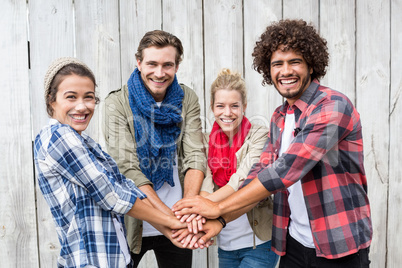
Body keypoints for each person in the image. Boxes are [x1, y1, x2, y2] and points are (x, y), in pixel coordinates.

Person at [172, 19, 372, 268]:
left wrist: (216, 207)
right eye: (277, 64)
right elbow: (259, 174)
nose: (285, 71)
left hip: (338, 244)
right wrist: (221, 221)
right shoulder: (279, 116)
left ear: (311, 65)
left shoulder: (332, 106)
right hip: (294, 243)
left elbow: (284, 172)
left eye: (294, 62)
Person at [34, 57, 187, 268]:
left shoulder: (84, 141)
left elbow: (125, 186)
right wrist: (173, 222)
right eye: (71, 97)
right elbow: (112, 194)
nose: (82, 106)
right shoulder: (57, 136)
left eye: (88, 97)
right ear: (51, 100)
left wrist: (169, 228)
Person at [103, 30, 206, 267]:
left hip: (180, 218)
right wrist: (167, 219)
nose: (159, 73)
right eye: (151, 64)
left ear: (177, 66)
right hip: (133, 222)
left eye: (167, 65)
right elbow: (127, 168)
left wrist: (186, 211)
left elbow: (194, 156)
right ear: (138, 63)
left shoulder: (186, 98)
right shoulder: (117, 103)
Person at [200, 68, 278, 267]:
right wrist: (201, 205)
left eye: (234, 105)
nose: (227, 113)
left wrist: (206, 206)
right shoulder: (205, 141)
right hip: (226, 246)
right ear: (212, 107)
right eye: (220, 106)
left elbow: (243, 179)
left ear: (244, 106)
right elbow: (205, 183)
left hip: (258, 244)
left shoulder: (258, 134)